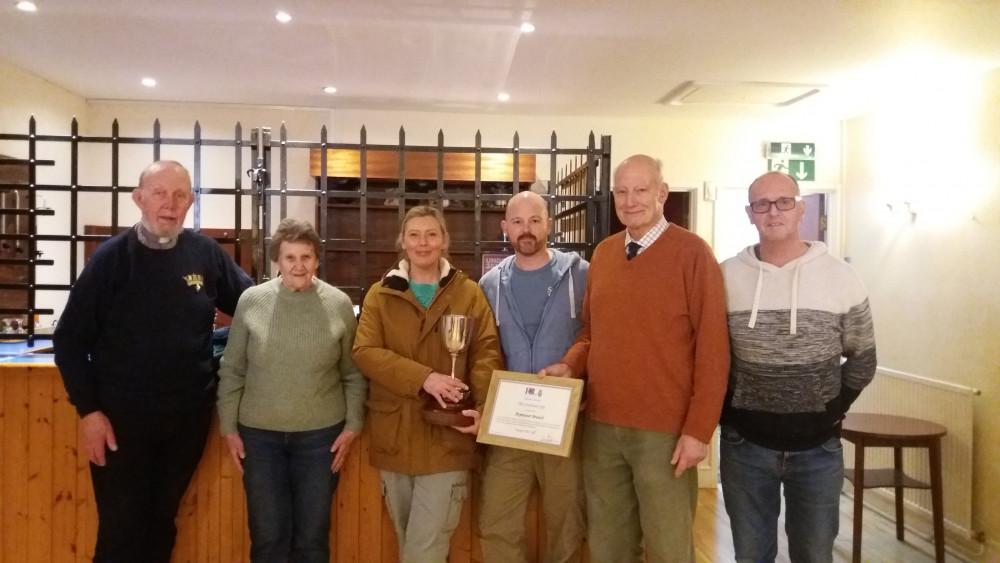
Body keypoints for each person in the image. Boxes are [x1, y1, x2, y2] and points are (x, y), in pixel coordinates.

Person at [53, 160, 253, 562]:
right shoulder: (111, 259)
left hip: (187, 419)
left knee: (162, 525)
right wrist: (89, 412)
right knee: (121, 531)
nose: (170, 203)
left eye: (180, 194)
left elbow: (255, 307)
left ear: (191, 201)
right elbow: (69, 340)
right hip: (121, 422)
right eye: (159, 193)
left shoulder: (205, 253)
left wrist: (306, 294)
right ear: (138, 199)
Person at [542, 154, 730, 563]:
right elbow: (592, 333)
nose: (631, 201)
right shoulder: (605, 255)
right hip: (602, 427)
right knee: (608, 545)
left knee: (668, 547)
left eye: (641, 190)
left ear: (662, 192)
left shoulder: (693, 254)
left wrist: (699, 430)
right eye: (622, 192)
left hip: (665, 433)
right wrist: (570, 365)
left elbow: (714, 349)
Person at [719, 171, 876, 563]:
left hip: (818, 449)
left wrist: (831, 407)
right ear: (750, 213)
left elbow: (863, 358)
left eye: (783, 201)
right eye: (761, 204)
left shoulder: (842, 277)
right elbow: (710, 356)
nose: (773, 211)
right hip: (745, 446)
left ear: (800, 208)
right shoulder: (725, 277)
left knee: (815, 555)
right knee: (751, 556)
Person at [352, 205, 502, 562]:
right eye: (415, 234)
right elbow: (365, 351)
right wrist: (425, 378)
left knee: (424, 552)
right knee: (410, 546)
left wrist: (483, 409)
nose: (423, 243)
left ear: (445, 240)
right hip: (395, 438)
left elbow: (486, 354)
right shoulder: (380, 294)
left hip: (447, 441)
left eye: (432, 234)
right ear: (402, 241)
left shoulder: (469, 293)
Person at [216, 218, 367, 562]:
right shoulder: (251, 301)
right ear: (277, 261)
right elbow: (233, 368)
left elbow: (353, 373)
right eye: (290, 258)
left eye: (306, 257)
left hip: (320, 439)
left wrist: (353, 424)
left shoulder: (339, 304)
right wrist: (228, 426)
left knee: (312, 540)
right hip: (259, 439)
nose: (298, 265)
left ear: (317, 260)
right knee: (268, 538)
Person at [477, 191, 588, 563]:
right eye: (518, 222)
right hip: (508, 424)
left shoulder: (582, 275)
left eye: (535, 220)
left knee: (567, 523)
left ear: (549, 225)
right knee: (496, 522)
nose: (527, 230)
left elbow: (597, 337)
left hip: (566, 424)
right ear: (505, 227)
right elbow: (483, 350)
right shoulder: (490, 283)